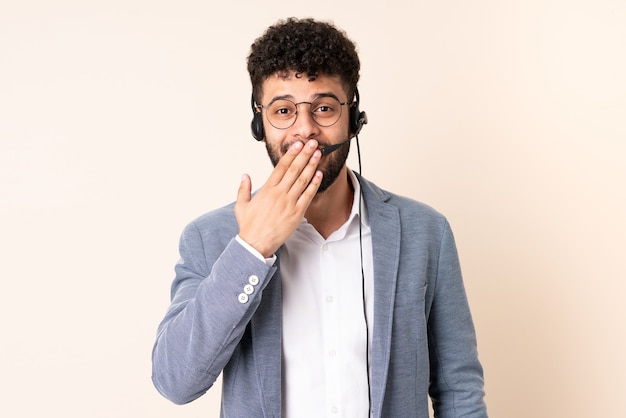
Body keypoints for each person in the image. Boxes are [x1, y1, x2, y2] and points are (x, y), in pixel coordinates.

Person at [152, 17, 487, 418]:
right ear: (260, 123)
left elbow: (459, 388)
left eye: (324, 108)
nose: (305, 130)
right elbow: (175, 381)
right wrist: (251, 250)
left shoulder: (426, 232)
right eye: (284, 110)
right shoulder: (210, 236)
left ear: (354, 116)